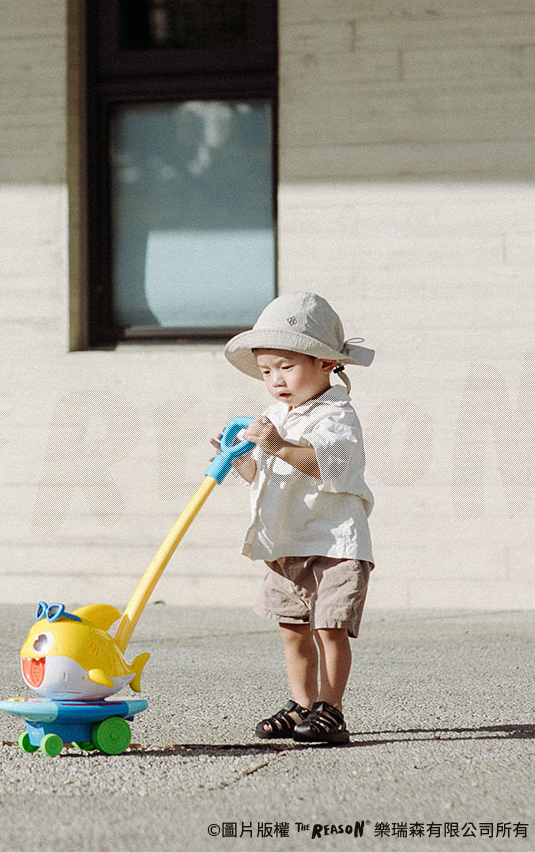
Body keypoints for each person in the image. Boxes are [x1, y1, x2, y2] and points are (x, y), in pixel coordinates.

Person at [211, 292, 375, 745]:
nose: (276, 380)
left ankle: (330, 709)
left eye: (286, 366)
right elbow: (263, 474)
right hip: (286, 543)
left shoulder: (337, 415)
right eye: (267, 371)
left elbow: (327, 465)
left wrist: (278, 445)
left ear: (325, 363)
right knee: (292, 629)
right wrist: (238, 459)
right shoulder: (273, 414)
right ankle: (301, 703)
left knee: (329, 626)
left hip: (334, 543)